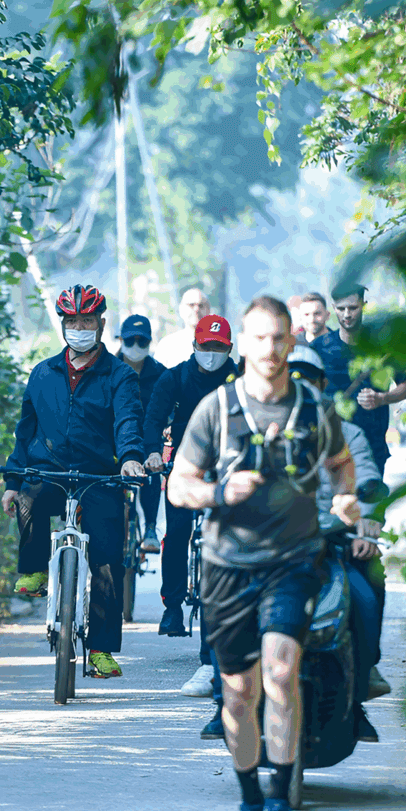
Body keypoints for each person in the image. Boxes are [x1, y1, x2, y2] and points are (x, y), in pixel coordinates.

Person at [167, 297, 381, 811]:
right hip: (228, 566)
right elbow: (177, 485)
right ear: (243, 344)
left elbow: (342, 465)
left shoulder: (314, 409)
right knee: (239, 695)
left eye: (278, 338)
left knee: (281, 673)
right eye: (258, 338)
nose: (269, 349)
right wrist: (217, 492)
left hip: (293, 562)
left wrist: (349, 503)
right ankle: (250, 807)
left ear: (290, 341)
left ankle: (282, 808)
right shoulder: (216, 410)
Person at [2, 285, 148, 679]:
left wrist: (131, 458)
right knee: (29, 499)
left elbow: (128, 421)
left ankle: (100, 650)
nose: (79, 328)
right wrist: (13, 481)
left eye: (87, 321)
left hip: (99, 476)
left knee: (106, 561)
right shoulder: (42, 373)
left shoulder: (119, 376)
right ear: (63, 324)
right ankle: (33, 571)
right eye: (72, 321)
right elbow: (24, 431)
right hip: (47, 471)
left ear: (101, 324)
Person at [144, 314, 236, 736]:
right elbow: (152, 417)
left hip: (229, 471)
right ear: (195, 346)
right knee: (177, 534)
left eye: (220, 349)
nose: (213, 356)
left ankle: (214, 644)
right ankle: (173, 607)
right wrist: (149, 453)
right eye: (207, 348)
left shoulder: (239, 378)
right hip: (184, 468)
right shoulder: (175, 379)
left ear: (229, 350)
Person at [289, 345, 392, 708]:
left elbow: (366, 478)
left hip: (336, 540)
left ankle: (364, 676)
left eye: (309, 379)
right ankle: (221, 686)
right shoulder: (264, 431)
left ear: (323, 383)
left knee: (366, 590)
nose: (302, 387)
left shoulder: (350, 434)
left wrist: (366, 523)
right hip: (275, 544)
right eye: (292, 377)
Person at [308, 284, 406, 469]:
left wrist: (382, 398)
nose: (347, 314)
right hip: (331, 449)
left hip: (372, 448)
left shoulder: (382, 346)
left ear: (363, 305)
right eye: (341, 309)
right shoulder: (318, 348)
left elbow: (405, 387)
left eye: (353, 308)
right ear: (333, 309)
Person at [118, 314, 168, 553]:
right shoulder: (106, 369)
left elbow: (170, 408)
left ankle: (150, 527)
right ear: (120, 340)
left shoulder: (161, 374)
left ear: (149, 343)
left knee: (153, 464)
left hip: (149, 436)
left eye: (142, 342)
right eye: (130, 341)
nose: (136, 347)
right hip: (113, 438)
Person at [154, 287, 212, 368]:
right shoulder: (167, 345)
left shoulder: (220, 345)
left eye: (201, 305)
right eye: (191, 305)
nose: (196, 309)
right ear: (181, 310)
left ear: (209, 310)